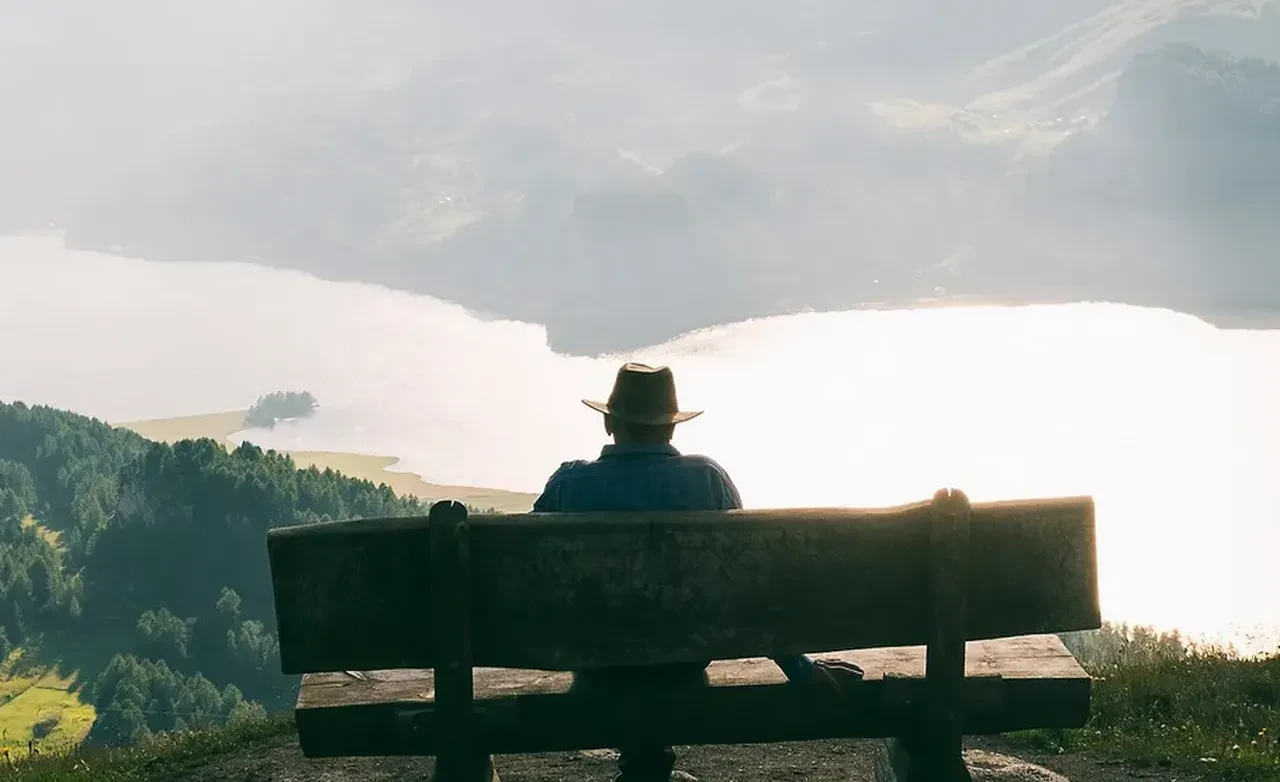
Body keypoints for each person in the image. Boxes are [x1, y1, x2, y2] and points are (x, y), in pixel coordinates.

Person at [532, 362, 865, 782]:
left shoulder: (568, 486)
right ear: (671, 428)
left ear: (609, 424)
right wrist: (801, 668)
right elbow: (753, 585)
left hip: (599, 672)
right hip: (682, 669)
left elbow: (530, 585)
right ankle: (649, 765)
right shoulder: (706, 481)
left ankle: (642, 766)